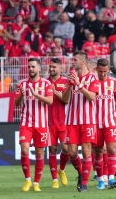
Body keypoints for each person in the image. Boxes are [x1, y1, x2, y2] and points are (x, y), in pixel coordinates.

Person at [61, 51, 98, 192]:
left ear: (83, 62)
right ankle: (81, 173)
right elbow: (64, 99)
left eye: (75, 60)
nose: (72, 62)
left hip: (87, 120)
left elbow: (92, 97)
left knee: (87, 151)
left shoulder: (92, 78)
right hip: (71, 121)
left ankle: (84, 184)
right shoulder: (69, 78)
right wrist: (70, 85)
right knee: (72, 153)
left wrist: (79, 84)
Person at [15, 58, 53, 192]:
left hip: (41, 124)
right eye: (29, 67)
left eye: (33, 67)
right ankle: (27, 180)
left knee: (39, 153)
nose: (30, 69)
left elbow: (50, 101)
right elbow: (16, 104)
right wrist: (21, 95)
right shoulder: (22, 84)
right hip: (26, 123)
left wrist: (36, 95)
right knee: (24, 149)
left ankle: (36, 182)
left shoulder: (46, 83)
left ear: (39, 69)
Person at [91, 58, 116, 190]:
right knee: (98, 151)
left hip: (111, 122)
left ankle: (112, 179)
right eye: (100, 71)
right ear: (96, 70)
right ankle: (101, 180)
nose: (102, 74)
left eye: (105, 72)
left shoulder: (114, 82)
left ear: (109, 70)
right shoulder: (92, 83)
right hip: (95, 123)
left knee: (112, 149)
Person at [47, 58, 70, 189]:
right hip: (49, 122)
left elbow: (67, 100)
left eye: (54, 67)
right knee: (52, 149)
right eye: (50, 67)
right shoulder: (44, 82)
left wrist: (55, 92)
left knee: (66, 149)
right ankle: (54, 179)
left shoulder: (65, 82)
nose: (51, 69)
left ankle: (61, 170)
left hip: (63, 121)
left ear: (60, 68)